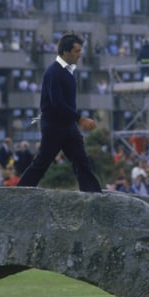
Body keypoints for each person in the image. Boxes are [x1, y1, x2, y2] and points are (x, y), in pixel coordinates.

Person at [16, 33, 102, 192]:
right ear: (65, 52)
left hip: (68, 127)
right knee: (42, 163)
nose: (79, 54)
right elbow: (57, 104)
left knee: (82, 162)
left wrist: (75, 120)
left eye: (80, 50)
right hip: (54, 128)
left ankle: (93, 194)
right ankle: (19, 192)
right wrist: (80, 119)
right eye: (76, 51)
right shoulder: (54, 72)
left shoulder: (69, 71)